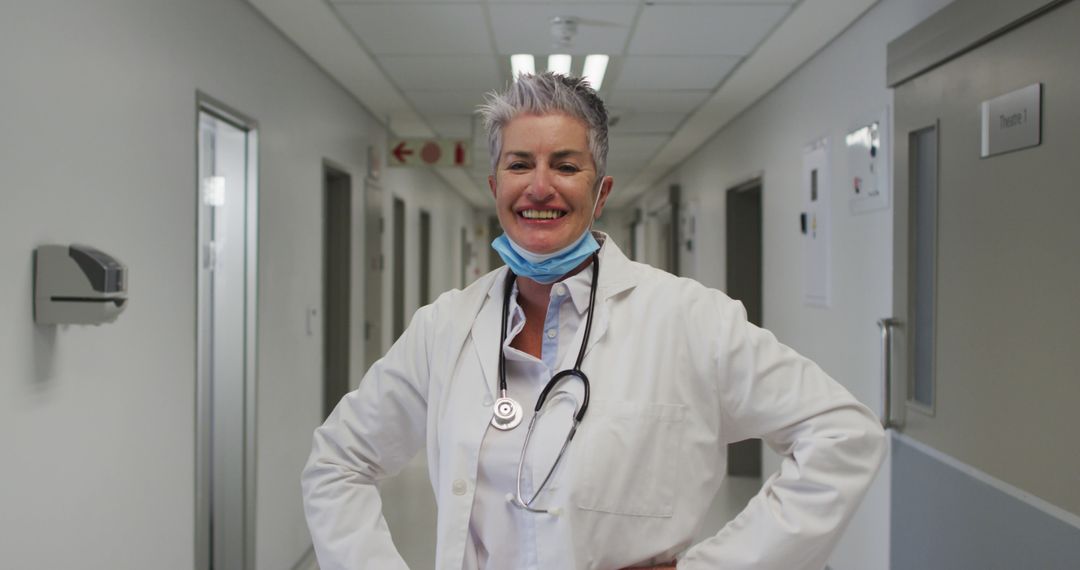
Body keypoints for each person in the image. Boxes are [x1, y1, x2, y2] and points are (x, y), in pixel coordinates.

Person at [302, 73, 886, 570]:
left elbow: (843, 435)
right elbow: (337, 463)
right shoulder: (443, 328)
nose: (540, 186)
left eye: (565, 165)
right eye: (519, 164)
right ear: (495, 187)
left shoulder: (688, 319)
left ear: (599, 190)